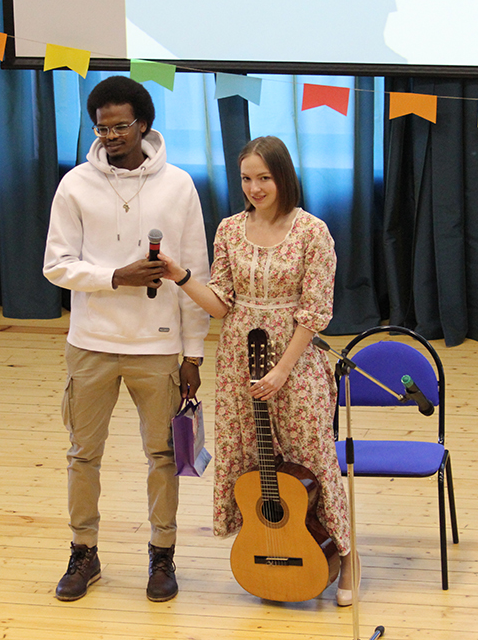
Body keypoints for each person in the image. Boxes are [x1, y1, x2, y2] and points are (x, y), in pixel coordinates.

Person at [159, 135, 358, 606]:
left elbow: (315, 312)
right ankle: (275, 549)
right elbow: (221, 303)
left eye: (264, 177)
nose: (255, 188)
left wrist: (282, 371)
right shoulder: (230, 229)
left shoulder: (312, 232)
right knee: (252, 457)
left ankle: (347, 558)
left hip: (295, 358)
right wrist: (180, 276)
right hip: (238, 359)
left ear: (283, 177)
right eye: (247, 178)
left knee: (313, 459)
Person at [43, 75, 211, 603]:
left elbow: (196, 276)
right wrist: (116, 277)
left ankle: (162, 554)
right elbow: (56, 266)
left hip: (157, 348)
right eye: (102, 128)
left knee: (163, 456)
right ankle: (84, 552)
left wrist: (193, 353)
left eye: (120, 126)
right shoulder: (75, 184)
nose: (111, 136)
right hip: (90, 343)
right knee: (82, 455)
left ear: (145, 125)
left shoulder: (179, 186)